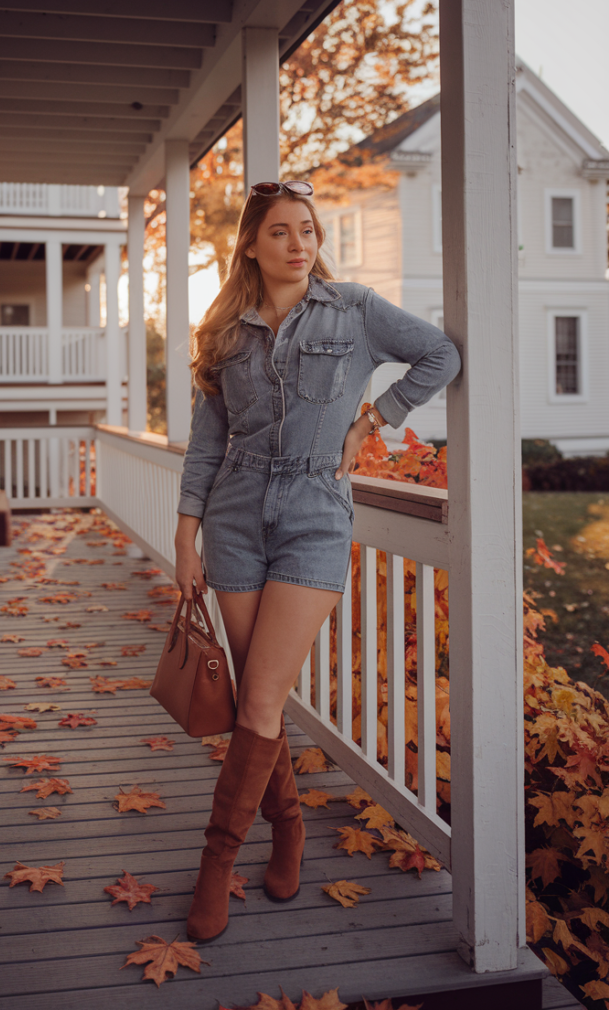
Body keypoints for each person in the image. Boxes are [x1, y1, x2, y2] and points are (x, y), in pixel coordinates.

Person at [173, 180, 461, 943]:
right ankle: (290, 826)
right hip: (232, 522)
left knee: (261, 701)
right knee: (251, 705)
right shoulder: (226, 331)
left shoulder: (355, 310)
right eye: (280, 231)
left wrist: (375, 418)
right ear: (249, 244)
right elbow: (208, 443)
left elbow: (439, 353)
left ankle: (214, 869)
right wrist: (183, 538)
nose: (299, 243)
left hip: (311, 520)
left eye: (307, 229)